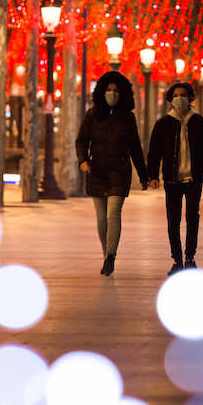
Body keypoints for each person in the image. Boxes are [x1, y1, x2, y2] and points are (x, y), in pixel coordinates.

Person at [76, 71, 148, 276]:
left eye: (116, 90)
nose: (112, 94)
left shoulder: (128, 118)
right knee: (101, 218)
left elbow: (135, 147)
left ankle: (111, 256)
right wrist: (83, 160)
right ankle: (106, 253)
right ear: (101, 92)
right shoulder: (92, 115)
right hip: (96, 170)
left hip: (119, 170)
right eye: (108, 90)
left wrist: (143, 176)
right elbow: (81, 140)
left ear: (122, 93)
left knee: (113, 214)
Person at [147, 82, 203, 276]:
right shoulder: (163, 124)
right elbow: (154, 152)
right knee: (173, 220)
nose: (180, 98)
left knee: (192, 218)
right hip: (172, 180)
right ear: (171, 99)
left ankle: (190, 257)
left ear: (190, 99)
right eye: (176, 95)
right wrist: (152, 175)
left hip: (194, 180)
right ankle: (176, 259)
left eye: (184, 95)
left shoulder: (200, 123)